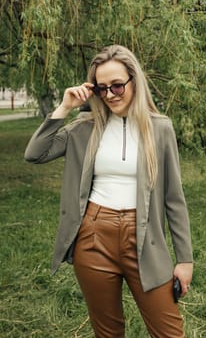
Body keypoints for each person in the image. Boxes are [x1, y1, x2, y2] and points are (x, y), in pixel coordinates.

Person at [25, 44, 193, 338]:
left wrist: (185, 259)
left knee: (169, 331)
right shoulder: (84, 127)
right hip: (93, 237)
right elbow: (35, 154)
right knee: (108, 333)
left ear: (134, 81)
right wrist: (65, 107)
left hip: (144, 238)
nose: (110, 94)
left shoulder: (160, 129)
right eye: (102, 89)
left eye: (117, 85)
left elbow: (174, 200)